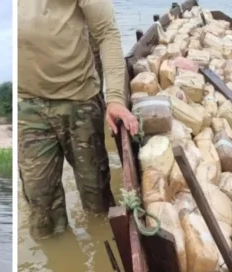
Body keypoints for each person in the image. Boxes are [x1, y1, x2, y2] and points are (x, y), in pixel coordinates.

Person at [18, 0, 140, 238]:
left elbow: (106, 32)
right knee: (40, 202)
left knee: (96, 196)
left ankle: (103, 249)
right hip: (27, 104)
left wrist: (115, 98)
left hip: (79, 99)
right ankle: (60, 262)